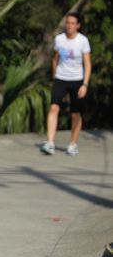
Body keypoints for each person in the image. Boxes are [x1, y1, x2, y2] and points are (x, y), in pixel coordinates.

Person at [40, 12, 92, 156]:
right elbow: (55, 59)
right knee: (54, 108)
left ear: (78, 26)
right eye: (67, 23)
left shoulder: (83, 41)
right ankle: (50, 143)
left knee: (75, 113)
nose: (69, 26)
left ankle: (73, 144)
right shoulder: (59, 39)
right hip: (60, 78)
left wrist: (85, 84)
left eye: (72, 23)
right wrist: (54, 76)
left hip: (77, 80)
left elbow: (87, 64)